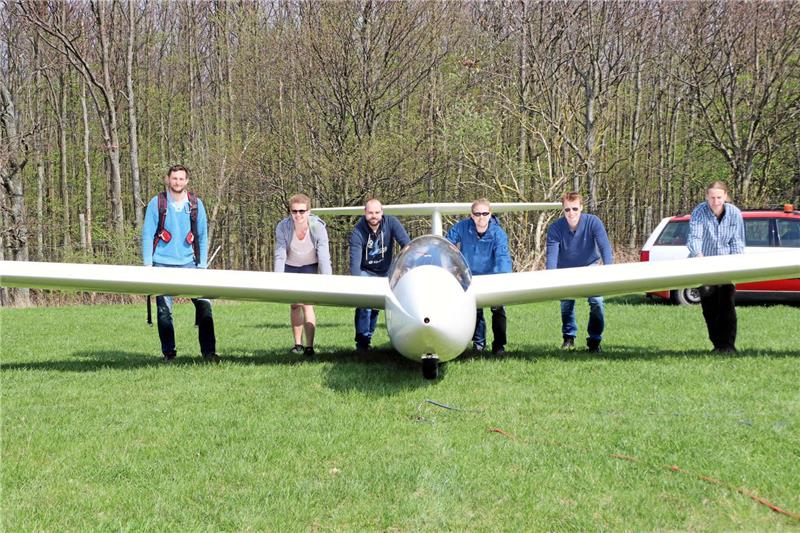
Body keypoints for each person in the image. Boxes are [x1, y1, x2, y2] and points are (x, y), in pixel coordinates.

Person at [142, 164, 218, 362]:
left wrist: (202, 265)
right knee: (164, 312)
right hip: (161, 263)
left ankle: (209, 352)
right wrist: (148, 265)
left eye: (181, 179)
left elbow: (202, 235)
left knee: (204, 307)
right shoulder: (157, 203)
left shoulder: (195, 204)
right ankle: (169, 353)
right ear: (168, 179)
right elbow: (147, 234)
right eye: (174, 178)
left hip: (189, 264)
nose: (177, 182)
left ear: (187, 181)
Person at [546, 191, 613, 353]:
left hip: (589, 266)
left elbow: (604, 246)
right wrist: (550, 277)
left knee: (597, 301)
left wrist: (609, 269)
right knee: (566, 303)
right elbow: (552, 255)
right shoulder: (555, 228)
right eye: (567, 209)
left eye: (575, 209)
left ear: (581, 207)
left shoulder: (593, 222)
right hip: (565, 269)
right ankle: (568, 337)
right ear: (563, 210)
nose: (571, 213)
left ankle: (594, 340)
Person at [446, 198, 511, 355]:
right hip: (470, 277)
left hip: (493, 277)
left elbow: (503, 257)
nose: (481, 217)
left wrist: (502, 279)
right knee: (475, 310)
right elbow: (446, 245)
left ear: (490, 214)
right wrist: (454, 268)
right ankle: (479, 344)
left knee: (498, 309)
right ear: (472, 215)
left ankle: (499, 345)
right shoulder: (462, 227)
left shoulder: (498, 234)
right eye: (477, 214)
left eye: (485, 213)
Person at [687, 180, 745, 353]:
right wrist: (699, 257)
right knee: (710, 307)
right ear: (707, 196)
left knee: (727, 305)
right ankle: (717, 345)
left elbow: (737, 241)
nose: (715, 201)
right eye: (712, 197)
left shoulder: (734, 213)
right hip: (704, 265)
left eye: (719, 197)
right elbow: (694, 237)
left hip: (726, 266)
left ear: (725, 196)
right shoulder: (699, 212)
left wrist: (735, 264)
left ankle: (728, 345)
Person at [349, 198, 411, 352]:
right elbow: (355, 263)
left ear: (382, 212)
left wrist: (403, 267)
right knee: (365, 304)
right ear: (365, 213)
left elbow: (406, 244)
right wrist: (357, 283)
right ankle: (362, 343)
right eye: (370, 212)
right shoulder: (358, 232)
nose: (374, 216)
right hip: (366, 271)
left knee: (376, 306)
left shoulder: (391, 222)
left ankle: (368, 338)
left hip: (386, 271)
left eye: (377, 212)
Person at [274, 193, 332, 356]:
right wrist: (277, 279)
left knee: (307, 304)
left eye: (302, 211)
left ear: (309, 211)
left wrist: (328, 279)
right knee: (294, 305)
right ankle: (297, 345)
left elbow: (323, 255)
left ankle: (309, 347)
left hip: (309, 265)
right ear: (290, 212)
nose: (298, 215)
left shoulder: (318, 227)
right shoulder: (282, 227)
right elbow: (280, 255)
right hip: (290, 265)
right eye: (294, 211)